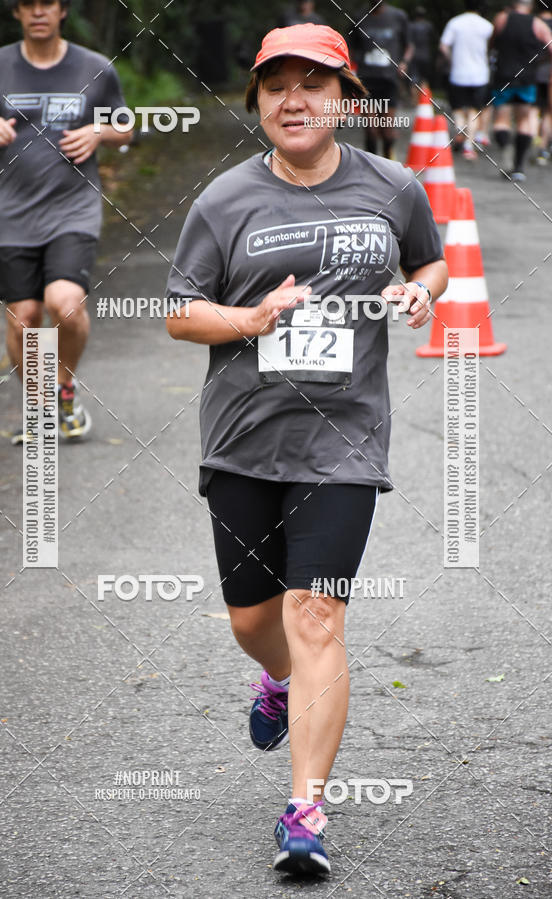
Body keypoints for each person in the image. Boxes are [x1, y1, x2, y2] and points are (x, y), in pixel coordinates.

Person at [165, 22, 447, 877]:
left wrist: (415, 293)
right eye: (276, 85)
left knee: (315, 612)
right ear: (257, 99)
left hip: (344, 445)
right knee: (256, 618)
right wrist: (249, 318)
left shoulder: (394, 188)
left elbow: (430, 266)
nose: (295, 100)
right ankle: (278, 681)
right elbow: (180, 310)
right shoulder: (225, 202)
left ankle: (306, 810)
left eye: (313, 84)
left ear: (344, 98)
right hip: (245, 439)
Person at [0, 0, 132, 443]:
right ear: (17, 12)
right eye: (28, 4)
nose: (38, 12)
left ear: (62, 11)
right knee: (24, 316)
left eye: (47, 4)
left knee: (66, 304)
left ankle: (64, 391)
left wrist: (99, 131)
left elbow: (126, 127)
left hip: (73, 207)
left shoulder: (93, 67)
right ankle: (40, 409)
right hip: (14, 214)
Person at [491, 0, 552, 181]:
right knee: (524, 120)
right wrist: (539, 61)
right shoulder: (537, 24)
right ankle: (519, 167)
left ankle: (506, 150)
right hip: (527, 78)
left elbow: (492, 42)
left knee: (501, 120)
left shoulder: (502, 19)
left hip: (503, 76)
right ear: (530, 6)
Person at [351, 2, 413, 159]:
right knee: (371, 129)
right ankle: (371, 166)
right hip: (366, 80)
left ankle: (387, 161)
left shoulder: (398, 16)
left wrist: (404, 62)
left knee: (386, 130)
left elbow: (409, 46)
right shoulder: (360, 17)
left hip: (389, 80)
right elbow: (351, 46)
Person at [439, 1, 493, 161]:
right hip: (480, 75)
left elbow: (443, 46)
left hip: (458, 74)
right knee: (473, 111)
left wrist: (451, 60)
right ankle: (469, 146)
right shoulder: (487, 26)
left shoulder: (455, 22)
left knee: (457, 109)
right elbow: (493, 47)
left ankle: (461, 131)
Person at [533, 8, 552, 164]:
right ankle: (543, 148)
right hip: (549, 75)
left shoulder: (533, 23)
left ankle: (533, 144)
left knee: (533, 110)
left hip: (533, 74)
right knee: (548, 112)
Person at [408, 6, 435, 105]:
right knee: (424, 79)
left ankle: (415, 102)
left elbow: (409, 42)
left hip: (414, 55)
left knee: (414, 79)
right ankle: (424, 100)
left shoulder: (411, 26)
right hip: (425, 55)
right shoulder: (428, 26)